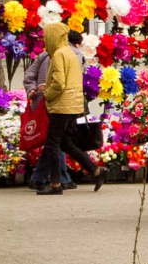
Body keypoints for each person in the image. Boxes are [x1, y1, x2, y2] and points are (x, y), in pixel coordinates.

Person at [37, 23, 105, 195]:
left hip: (61, 105)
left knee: (52, 144)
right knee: (66, 142)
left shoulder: (59, 54)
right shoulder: (70, 53)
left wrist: (47, 93)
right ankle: (95, 170)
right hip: (73, 104)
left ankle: (55, 184)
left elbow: (59, 83)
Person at [25, 31, 84, 190]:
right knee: (56, 141)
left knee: (54, 141)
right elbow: (64, 82)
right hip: (60, 102)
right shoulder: (73, 54)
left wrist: (31, 89)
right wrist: (48, 92)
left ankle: (44, 178)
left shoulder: (45, 54)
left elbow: (29, 74)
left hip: (45, 102)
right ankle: (58, 178)